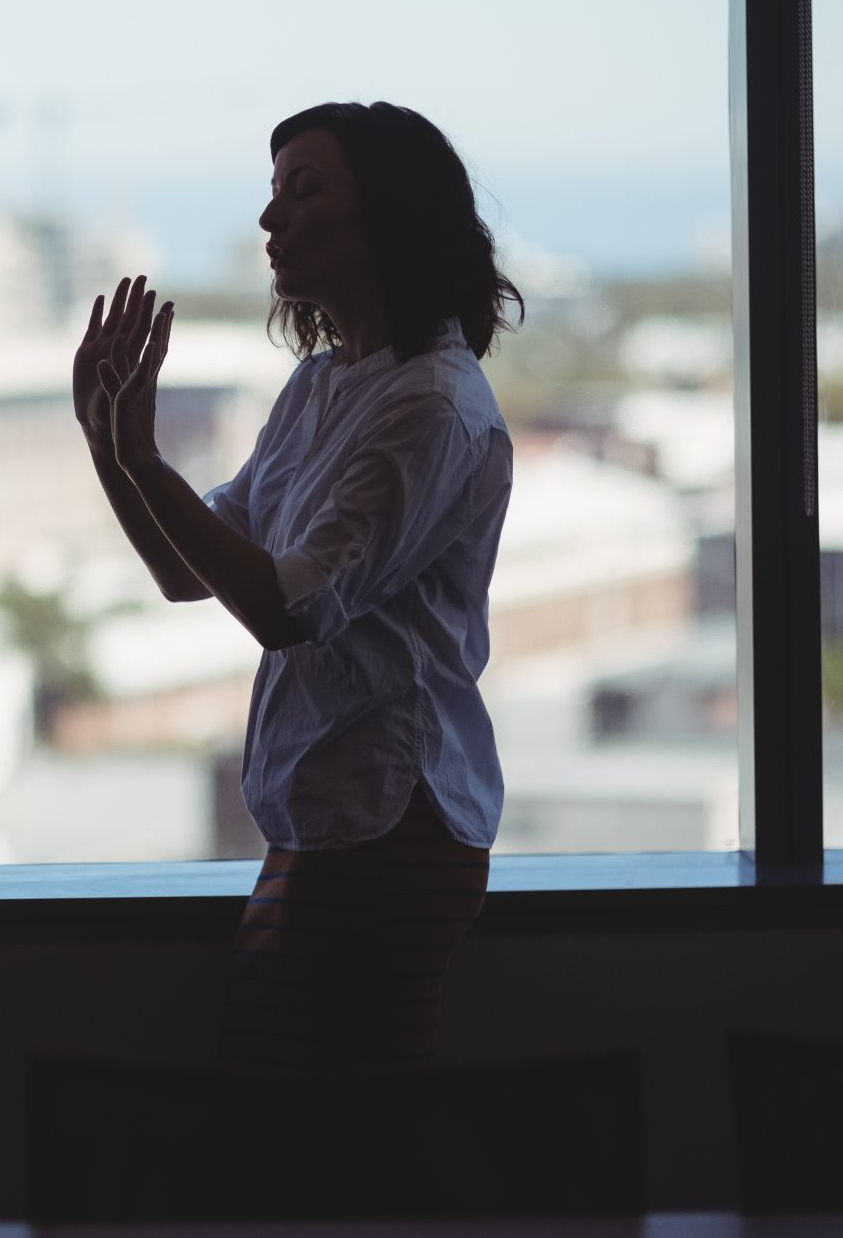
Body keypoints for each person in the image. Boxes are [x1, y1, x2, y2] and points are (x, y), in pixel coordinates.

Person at [74, 100, 519, 1069]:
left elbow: (288, 608)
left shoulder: (431, 405)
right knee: (311, 1125)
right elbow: (186, 574)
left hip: (391, 816)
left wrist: (141, 459)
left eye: (303, 191)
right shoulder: (323, 384)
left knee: (325, 1132)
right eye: (273, 194)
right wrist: (109, 447)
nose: (270, 220)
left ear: (389, 213)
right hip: (332, 820)